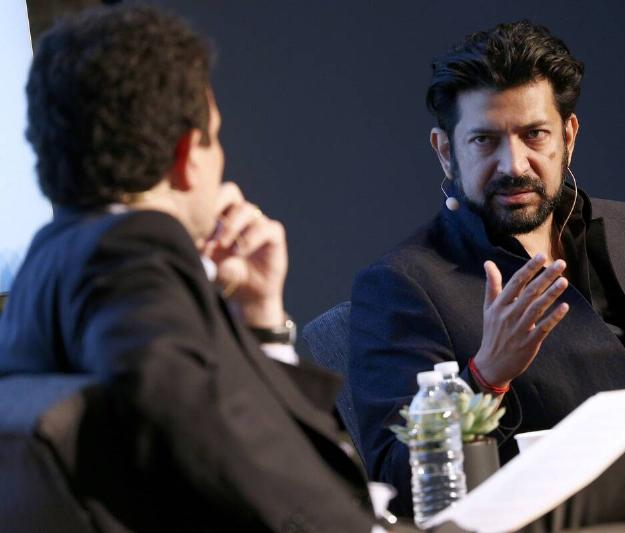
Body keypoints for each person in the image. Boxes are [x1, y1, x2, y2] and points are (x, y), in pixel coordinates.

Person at [349, 20, 625, 518]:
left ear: (568, 135)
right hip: (590, 495)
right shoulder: (405, 282)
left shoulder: (620, 225)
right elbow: (398, 477)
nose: (513, 164)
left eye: (534, 135)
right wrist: (487, 374)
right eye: (484, 141)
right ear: (445, 151)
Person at [0, 5, 382, 531]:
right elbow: (190, 423)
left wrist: (261, 319)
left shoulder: (47, 265)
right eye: (216, 136)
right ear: (187, 155)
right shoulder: (132, 260)